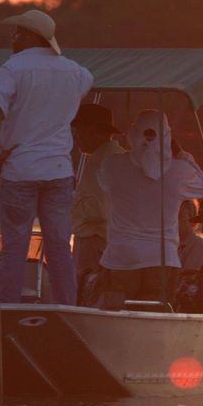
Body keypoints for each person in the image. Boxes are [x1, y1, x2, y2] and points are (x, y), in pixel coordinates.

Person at [0, 10, 93, 304]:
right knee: (59, 244)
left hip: (20, 170)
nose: (13, 37)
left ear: (33, 37)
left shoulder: (13, 67)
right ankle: (67, 306)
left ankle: (6, 306)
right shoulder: (77, 72)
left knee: (15, 245)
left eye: (18, 32)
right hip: (58, 171)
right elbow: (87, 83)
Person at [97, 109, 203, 301]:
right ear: (167, 136)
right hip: (163, 261)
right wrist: (181, 155)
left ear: (133, 133)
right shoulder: (179, 171)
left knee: (114, 316)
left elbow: (103, 183)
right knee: (154, 317)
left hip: (120, 258)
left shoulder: (112, 165)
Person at [70, 104, 125, 305]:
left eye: (80, 130)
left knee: (87, 295)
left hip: (94, 241)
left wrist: (67, 201)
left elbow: (99, 209)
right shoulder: (111, 155)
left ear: (94, 130)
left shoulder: (104, 159)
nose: (75, 136)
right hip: (99, 240)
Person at [178, 199, 203, 271]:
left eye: (180, 216)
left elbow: (190, 279)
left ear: (192, 220)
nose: (175, 221)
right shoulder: (176, 246)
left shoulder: (199, 247)